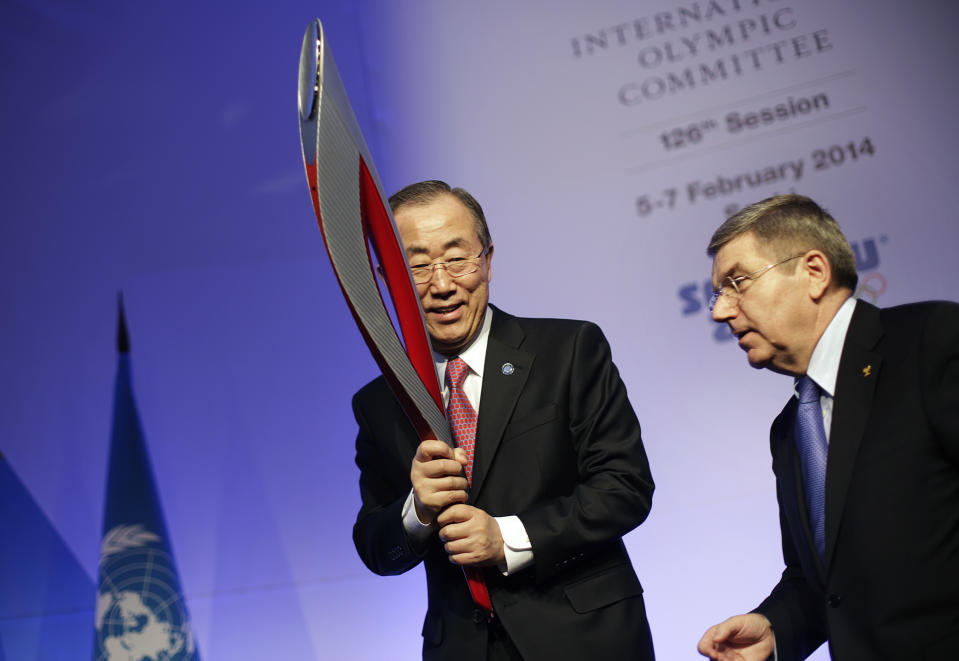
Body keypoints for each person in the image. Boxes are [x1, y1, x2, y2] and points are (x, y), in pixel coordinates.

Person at [351, 180, 656, 660]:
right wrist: (417, 512)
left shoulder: (568, 351)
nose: (442, 284)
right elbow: (375, 547)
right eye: (417, 266)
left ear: (487, 260)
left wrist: (510, 538)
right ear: (386, 279)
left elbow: (625, 489)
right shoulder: (379, 402)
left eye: (457, 258)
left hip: (586, 640)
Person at [696, 194, 959, 660]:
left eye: (736, 282)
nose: (721, 312)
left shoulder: (932, 342)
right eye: (718, 294)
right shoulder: (790, 428)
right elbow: (823, 578)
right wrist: (775, 629)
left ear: (814, 272)